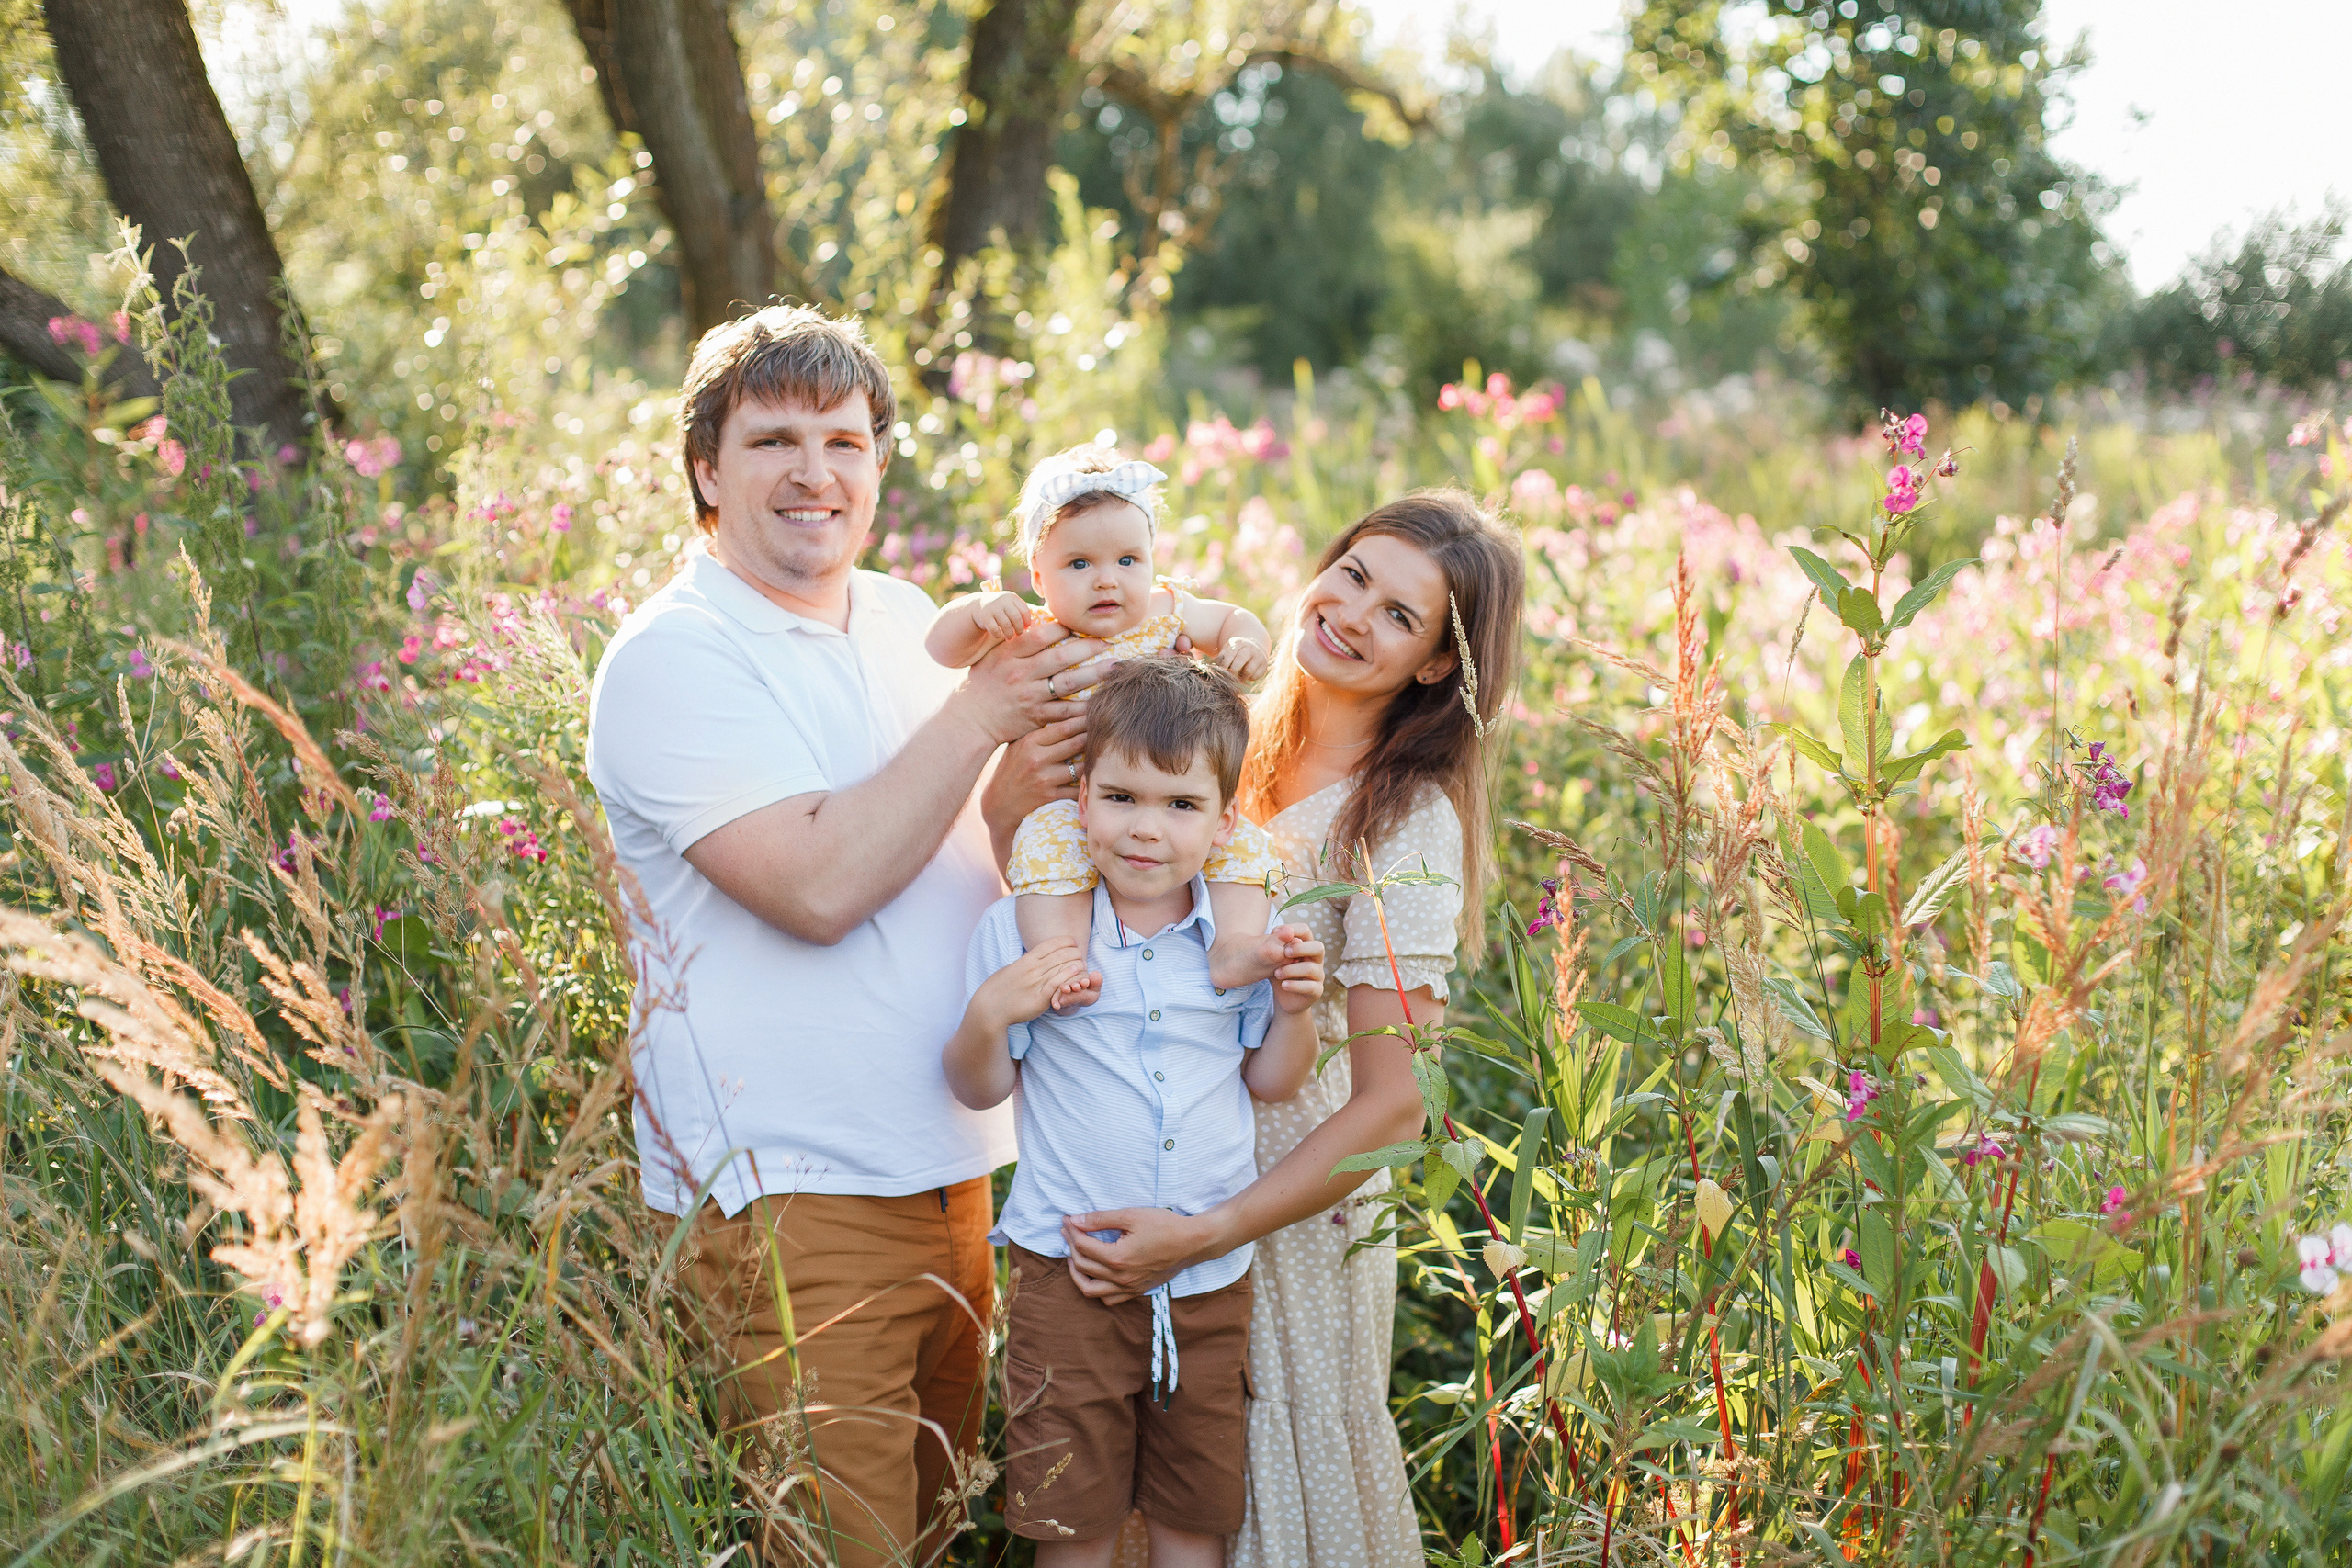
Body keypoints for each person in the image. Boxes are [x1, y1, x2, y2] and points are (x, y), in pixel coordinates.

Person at [583, 303, 1104, 1568]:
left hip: (957, 1171)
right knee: (841, 1548)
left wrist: (1048, 767)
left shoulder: (899, 616)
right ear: (707, 469)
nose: (815, 471)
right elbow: (818, 883)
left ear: (877, 464)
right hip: (794, 1191)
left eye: (845, 439)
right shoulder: (674, 656)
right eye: (773, 440)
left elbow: (963, 852)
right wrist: (983, 712)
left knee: (931, 1539)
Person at [1061, 491, 1525, 1567]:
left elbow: (1394, 1101)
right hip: (1146, 1178)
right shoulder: (1212, 728)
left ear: (1432, 667)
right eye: (1354, 573)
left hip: (1277, 1220)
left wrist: (1213, 1229)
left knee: (1258, 1505)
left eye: (1400, 616)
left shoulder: (1402, 817)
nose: (1353, 613)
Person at [943, 657, 1327, 1568]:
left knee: (1193, 1520)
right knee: (1068, 1523)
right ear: (1079, 802)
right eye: (1121, 797)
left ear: (1224, 822)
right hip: (1067, 1275)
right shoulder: (1029, 935)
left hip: (1203, 1279)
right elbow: (976, 1088)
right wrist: (991, 1013)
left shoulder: (1238, 947)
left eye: (1180, 805)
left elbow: (1272, 1080)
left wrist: (1301, 1010)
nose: (1147, 829)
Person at [927, 444, 1298, 1006]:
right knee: (1048, 850)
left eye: (1128, 561)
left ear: (1152, 558)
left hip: (1160, 800)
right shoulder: (1035, 631)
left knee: (1240, 849)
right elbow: (941, 648)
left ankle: (1233, 943)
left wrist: (1246, 641)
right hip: (1072, 804)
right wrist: (977, 614)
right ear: (1037, 574)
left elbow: (1231, 617)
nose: (1107, 581)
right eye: (1079, 564)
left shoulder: (1166, 611)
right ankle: (1061, 960)